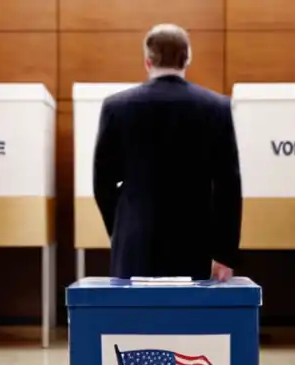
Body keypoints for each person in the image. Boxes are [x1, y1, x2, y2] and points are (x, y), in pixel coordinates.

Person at [93, 23, 242, 282]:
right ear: (187, 59)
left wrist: (121, 229)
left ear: (147, 61)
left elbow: (102, 181)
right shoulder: (216, 107)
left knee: (135, 320)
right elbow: (228, 185)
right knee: (191, 321)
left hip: (134, 242)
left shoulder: (116, 107)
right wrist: (224, 254)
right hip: (196, 242)